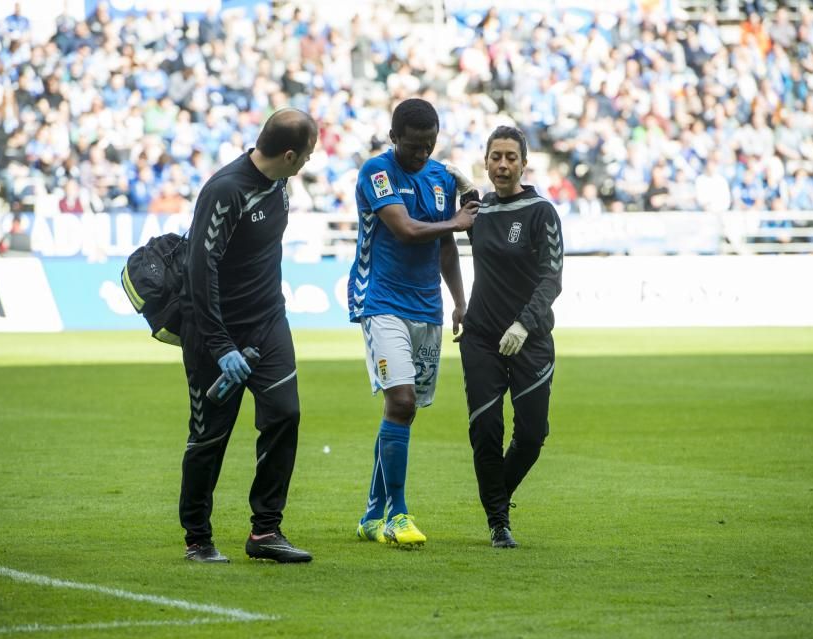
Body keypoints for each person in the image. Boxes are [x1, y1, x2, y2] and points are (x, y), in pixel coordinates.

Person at [178, 108, 318, 564]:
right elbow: (201, 269)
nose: (310, 162)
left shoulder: (280, 184)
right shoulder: (225, 191)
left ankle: (265, 533)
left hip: (269, 323)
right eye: (309, 154)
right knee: (209, 437)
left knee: (284, 415)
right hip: (213, 333)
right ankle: (197, 539)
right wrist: (220, 345)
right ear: (291, 153)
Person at [348, 98, 478, 547]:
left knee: (402, 413)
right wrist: (459, 220)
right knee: (401, 401)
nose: (422, 154)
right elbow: (403, 228)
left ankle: (369, 515)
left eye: (430, 145)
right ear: (393, 137)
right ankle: (396, 515)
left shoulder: (443, 179)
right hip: (380, 300)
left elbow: (446, 248)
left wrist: (460, 300)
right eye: (414, 145)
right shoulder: (376, 172)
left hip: (428, 308)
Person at [456, 126, 563, 548]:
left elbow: (551, 277)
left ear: (523, 162)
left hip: (529, 337)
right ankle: (498, 521)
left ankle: (495, 495)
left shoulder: (541, 212)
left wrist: (523, 323)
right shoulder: (478, 213)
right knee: (485, 429)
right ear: (485, 161)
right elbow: (458, 207)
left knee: (533, 435)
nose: (502, 164)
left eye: (510, 157)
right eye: (495, 157)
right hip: (481, 337)